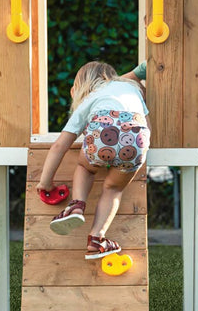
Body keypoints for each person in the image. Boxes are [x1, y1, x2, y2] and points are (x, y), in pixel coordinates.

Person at [36, 61, 150, 260]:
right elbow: (147, 125)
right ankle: (97, 238)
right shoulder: (131, 89)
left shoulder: (91, 96)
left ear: (81, 87)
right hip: (136, 138)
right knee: (114, 189)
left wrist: (45, 182)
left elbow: (60, 145)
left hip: (101, 133)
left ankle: (77, 204)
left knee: (85, 167)